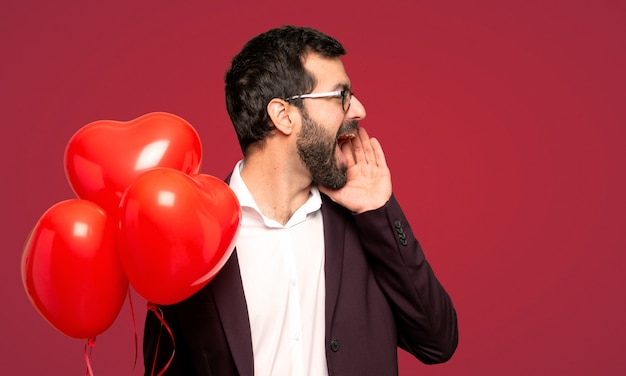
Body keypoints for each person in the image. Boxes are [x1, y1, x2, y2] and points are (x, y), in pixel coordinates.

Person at [144, 25, 458, 376]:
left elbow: (438, 342)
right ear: (284, 115)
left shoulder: (363, 223)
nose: (358, 110)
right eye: (341, 95)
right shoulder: (190, 232)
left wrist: (379, 211)